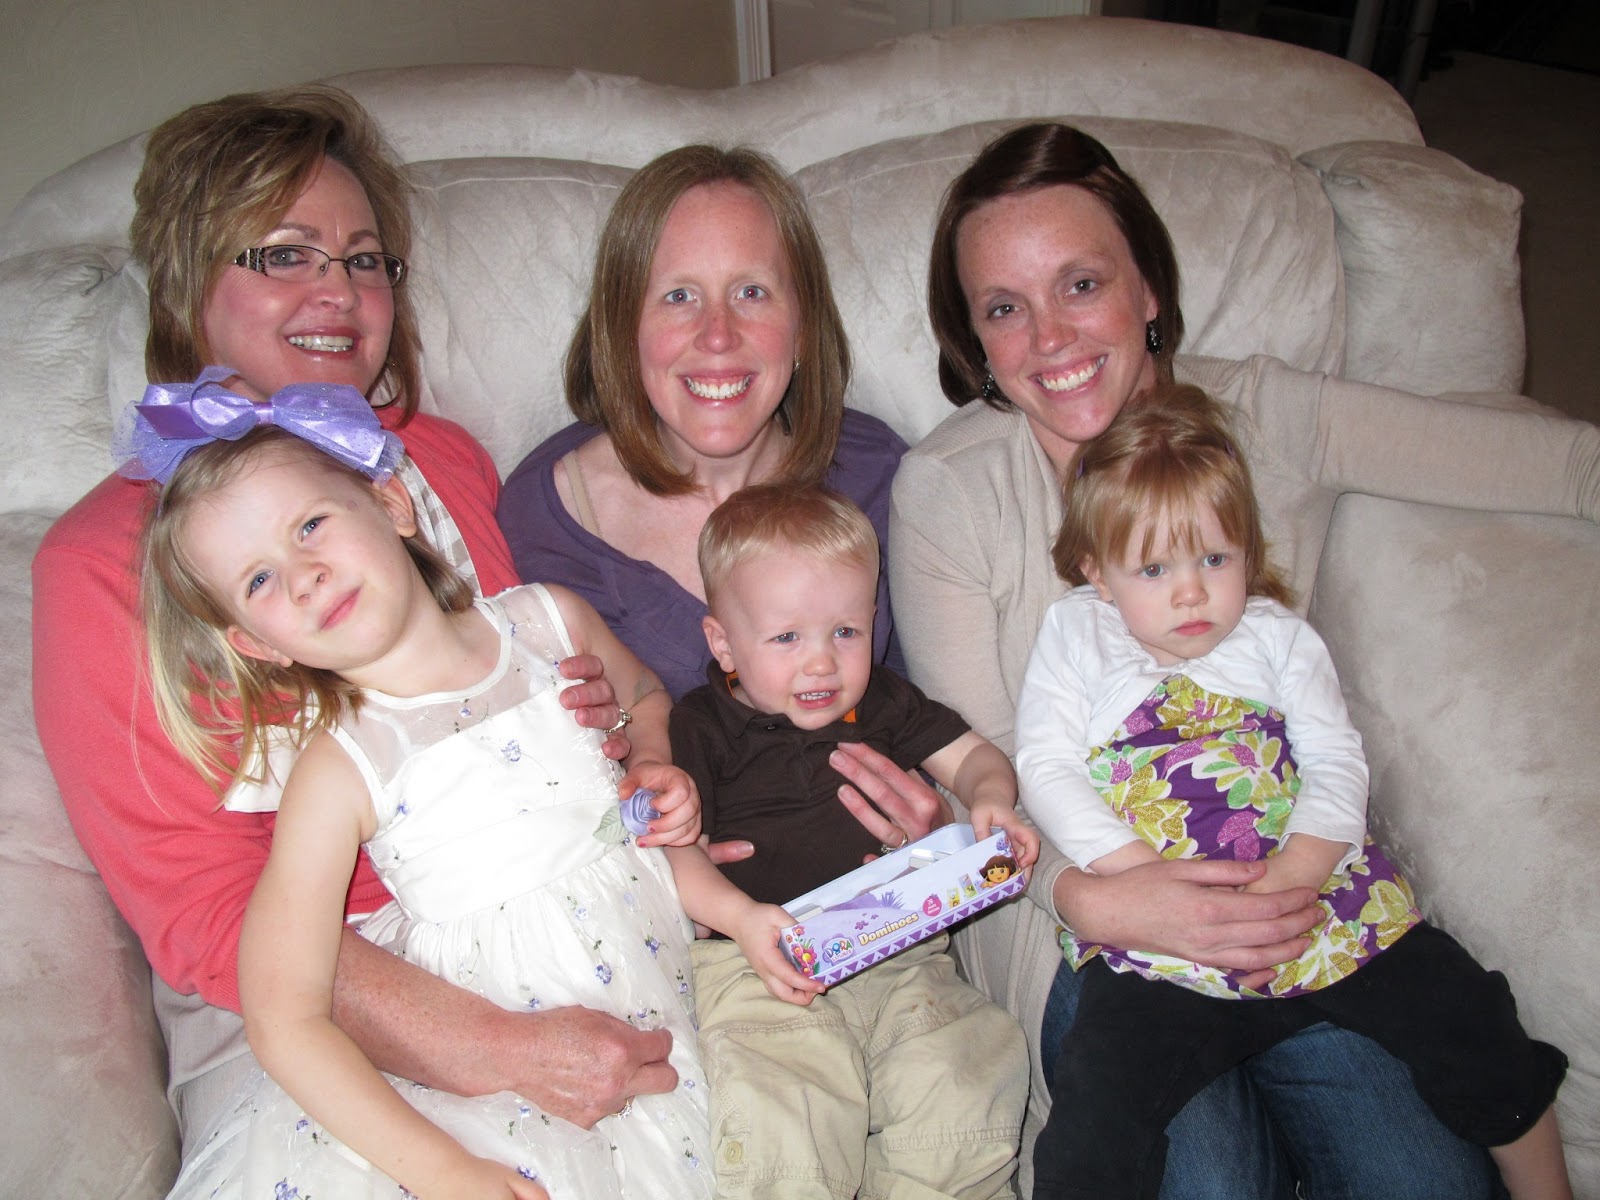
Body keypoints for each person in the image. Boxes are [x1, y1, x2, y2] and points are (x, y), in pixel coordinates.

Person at [876, 121, 1600, 1196]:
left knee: (1428, 1186)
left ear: (1148, 289)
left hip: (1291, 892)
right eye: (1003, 308)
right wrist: (1096, 898)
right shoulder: (950, 492)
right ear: (973, 341)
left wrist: (1295, 873)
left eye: (1082, 284)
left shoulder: (1262, 415)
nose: (1050, 337)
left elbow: (1560, 463)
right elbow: (978, 768)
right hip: (1079, 921)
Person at [30, 86, 670, 1171]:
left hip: (571, 916)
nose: (338, 289)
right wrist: (498, 1047)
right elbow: (205, 912)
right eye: (284, 253)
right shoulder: (103, 562)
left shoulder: (443, 460)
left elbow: (528, 680)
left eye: (365, 259)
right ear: (187, 285)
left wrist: (601, 728)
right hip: (306, 1013)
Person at [129, 392, 817, 1198]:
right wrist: (447, 1171)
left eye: (310, 525)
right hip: (497, 1091)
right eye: (259, 580)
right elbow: (284, 1015)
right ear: (256, 643)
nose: (304, 576)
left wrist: (655, 768)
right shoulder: (338, 770)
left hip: (658, 1004)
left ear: (392, 503)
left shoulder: (550, 621)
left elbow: (642, 698)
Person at [1014, 383, 1571, 1200]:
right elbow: (1045, 765)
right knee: (1098, 1116)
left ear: (1248, 547)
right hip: (1161, 938)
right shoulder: (1076, 635)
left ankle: (1547, 1187)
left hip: (1317, 906)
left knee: (1470, 1017)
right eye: (1155, 568)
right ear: (1097, 572)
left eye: (1215, 558)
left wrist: (1300, 872)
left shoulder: (1278, 637)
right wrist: (1139, 874)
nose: (1192, 592)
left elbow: (1337, 760)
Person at [668, 484, 1039, 1199]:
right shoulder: (700, 725)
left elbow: (975, 759)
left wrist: (992, 799)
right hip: (762, 967)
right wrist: (739, 918)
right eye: (786, 638)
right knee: (783, 1118)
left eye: (845, 632)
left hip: (897, 948)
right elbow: (678, 854)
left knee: (967, 1070)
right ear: (723, 643)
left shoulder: (884, 702)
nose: (821, 663)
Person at [497, 145, 909, 705]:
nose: (718, 335)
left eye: (751, 292)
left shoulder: (882, 476)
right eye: (679, 296)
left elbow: (928, 706)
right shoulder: (542, 518)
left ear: (804, 326)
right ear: (622, 329)